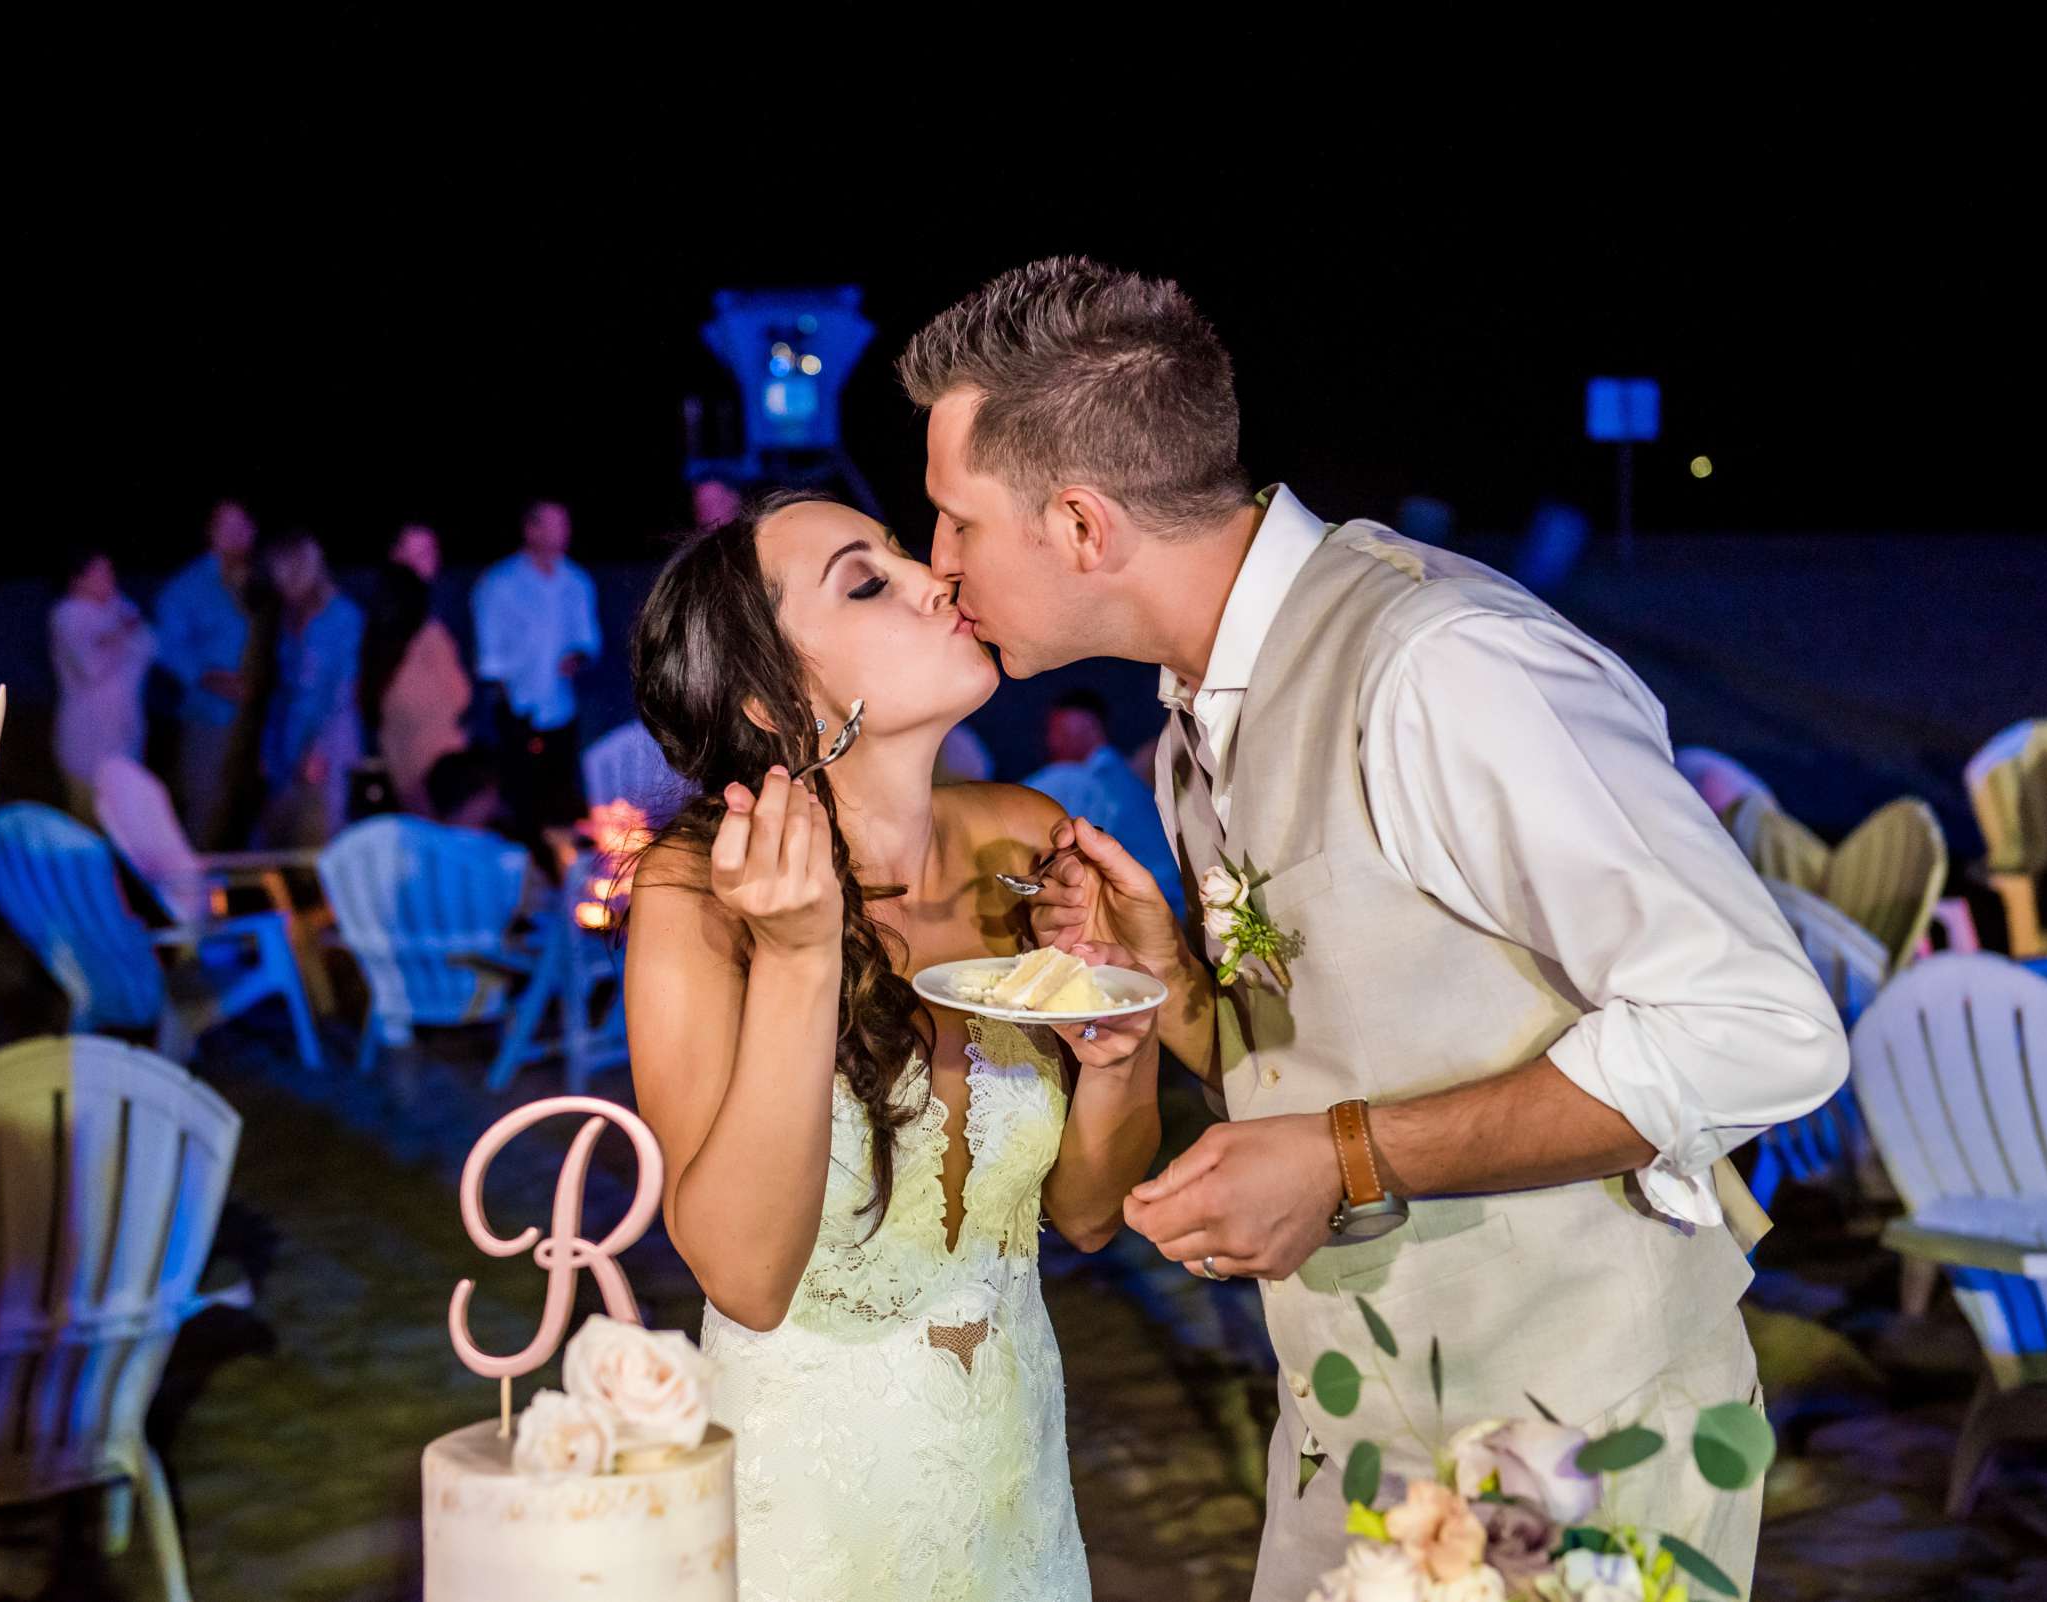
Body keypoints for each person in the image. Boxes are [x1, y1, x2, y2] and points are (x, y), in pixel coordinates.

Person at [900, 258, 1846, 1601]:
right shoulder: (1197, 717)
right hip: (1352, 1431)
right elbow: (1348, 1047)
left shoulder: (1438, 664)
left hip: (1579, 1444)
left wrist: (1345, 1158)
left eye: (953, 521)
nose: (937, 565)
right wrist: (1175, 982)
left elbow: (1760, 1029)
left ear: (1079, 523)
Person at [620, 492, 1165, 1601]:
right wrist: (801, 956)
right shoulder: (696, 896)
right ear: (770, 703)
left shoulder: (1017, 836)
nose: (935, 580)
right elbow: (746, 1278)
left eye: (906, 557)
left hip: (1014, 1491)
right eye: (868, 581)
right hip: (809, 1519)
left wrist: (1118, 1044)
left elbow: (1091, 1216)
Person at [471, 500, 600, 832]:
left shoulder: (576, 581)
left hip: (561, 708)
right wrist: (508, 713)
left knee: (560, 800)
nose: (562, 534)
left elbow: (588, 641)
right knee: (520, 804)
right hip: (516, 710)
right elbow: (490, 657)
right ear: (531, 530)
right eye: (553, 525)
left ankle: (563, 876)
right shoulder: (498, 583)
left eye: (565, 525)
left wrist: (577, 658)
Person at [1021, 689, 1186, 918]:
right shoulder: (1126, 777)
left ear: (1087, 728)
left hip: (1142, 908)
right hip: (1173, 905)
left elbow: (1009, 811)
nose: (1052, 741)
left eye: (1059, 731)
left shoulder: (1074, 779)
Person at [154, 499, 257, 847]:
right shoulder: (187, 587)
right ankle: (197, 896)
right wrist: (211, 678)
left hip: (261, 725)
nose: (237, 536)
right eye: (228, 527)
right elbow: (168, 648)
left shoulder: (265, 581)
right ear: (211, 532)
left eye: (243, 526)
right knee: (207, 810)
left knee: (253, 814)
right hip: (210, 719)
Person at [255, 530, 364, 847]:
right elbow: (282, 690)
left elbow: (343, 690)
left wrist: (318, 748)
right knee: (281, 832)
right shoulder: (287, 618)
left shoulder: (343, 617)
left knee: (324, 834)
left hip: (330, 742)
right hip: (288, 741)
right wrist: (268, 748)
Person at [361, 534, 471, 815]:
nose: (430, 561)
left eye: (432, 550)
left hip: (404, 772)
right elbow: (460, 695)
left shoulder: (377, 643)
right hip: (441, 773)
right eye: (419, 553)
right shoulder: (429, 636)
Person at [48, 549, 154, 821]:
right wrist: (122, 633)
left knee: (128, 825)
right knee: (90, 824)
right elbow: (90, 666)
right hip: (88, 740)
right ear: (77, 579)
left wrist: (119, 635)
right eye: (98, 572)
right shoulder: (67, 615)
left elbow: (151, 645)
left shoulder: (121, 606)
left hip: (126, 733)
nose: (108, 578)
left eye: (109, 571)